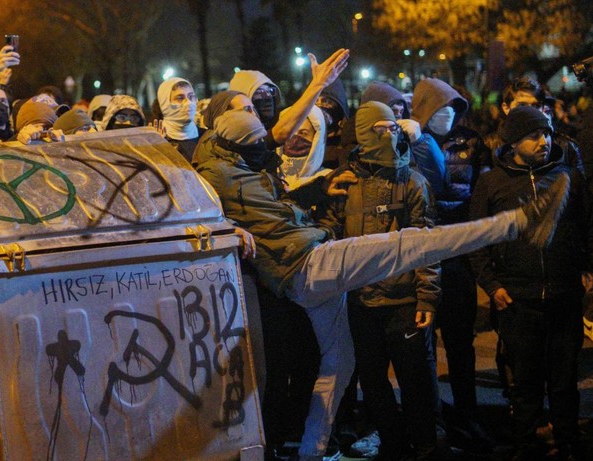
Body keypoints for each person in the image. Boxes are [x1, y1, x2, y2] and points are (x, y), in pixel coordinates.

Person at [195, 95, 571, 461]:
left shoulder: (244, 167)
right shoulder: (215, 175)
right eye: (258, 140)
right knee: (409, 245)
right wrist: (227, 227)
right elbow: (195, 213)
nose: (267, 144)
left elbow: (279, 208)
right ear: (237, 143)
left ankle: (312, 450)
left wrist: (313, 191)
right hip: (308, 265)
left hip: (310, 270)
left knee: (339, 364)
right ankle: (518, 222)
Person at [470, 106, 593, 461]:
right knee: (525, 382)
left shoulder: (568, 176)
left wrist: (588, 268)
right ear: (513, 142)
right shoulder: (493, 182)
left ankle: (568, 442)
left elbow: (587, 225)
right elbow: (477, 238)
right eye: (534, 135)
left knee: (564, 379)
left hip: (564, 293)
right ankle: (525, 445)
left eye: (547, 133)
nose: (545, 141)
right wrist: (492, 285)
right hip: (517, 299)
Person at [319, 101, 440, 460]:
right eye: (379, 129)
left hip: (403, 302)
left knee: (415, 381)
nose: (388, 135)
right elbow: (328, 233)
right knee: (373, 383)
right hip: (360, 303)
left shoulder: (413, 182)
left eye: (392, 128)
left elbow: (427, 246)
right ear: (362, 134)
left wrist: (426, 297)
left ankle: (426, 445)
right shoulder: (345, 182)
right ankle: (394, 443)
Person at [410, 77, 495, 451]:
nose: (447, 116)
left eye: (453, 108)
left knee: (461, 343)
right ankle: (433, 419)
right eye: (439, 109)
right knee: (422, 346)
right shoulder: (408, 140)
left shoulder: (472, 142)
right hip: (421, 253)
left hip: (458, 251)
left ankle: (467, 414)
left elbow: (481, 192)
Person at [156, 77, 201, 162]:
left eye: (191, 97)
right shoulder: (155, 140)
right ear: (165, 103)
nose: (189, 103)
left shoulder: (205, 137)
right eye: (180, 98)